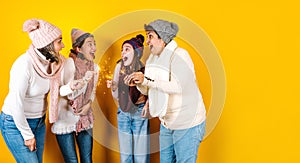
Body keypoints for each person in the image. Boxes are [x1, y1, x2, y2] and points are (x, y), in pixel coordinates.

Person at [126, 19, 206, 163]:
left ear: (162, 38)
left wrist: (146, 80)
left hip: (187, 124)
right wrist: (138, 83)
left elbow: (178, 86)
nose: (147, 41)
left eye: (150, 36)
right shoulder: (152, 60)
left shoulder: (180, 55)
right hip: (167, 123)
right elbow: (150, 88)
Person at [0, 19, 65, 163]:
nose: (63, 46)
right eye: (59, 41)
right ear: (47, 45)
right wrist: (27, 135)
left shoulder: (54, 64)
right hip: (15, 123)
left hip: (39, 122)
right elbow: (16, 103)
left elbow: (65, 82)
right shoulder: (24, 64)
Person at [51, 28, 99, 163]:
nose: (94, 47)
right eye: (90, 44)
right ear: (79, 48)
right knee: (72, 161)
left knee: (87, 159)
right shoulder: (68, 64)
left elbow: (92, 92)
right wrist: (76, 85)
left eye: (94, 43)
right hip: (65, 119)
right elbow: (60, 91)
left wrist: (88, 104)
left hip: (84, 119)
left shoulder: (95, 68)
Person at [107, 34, 150, 163]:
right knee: (125, 156)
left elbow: (151, 92)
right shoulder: (118, 67)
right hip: (123, 112)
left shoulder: (143, 70)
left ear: (136, 53)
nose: (122, 52)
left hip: (139, 111)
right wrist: (114, 87)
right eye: (122, 49)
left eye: (127, 49)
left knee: (141, 157)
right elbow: (116, 95)